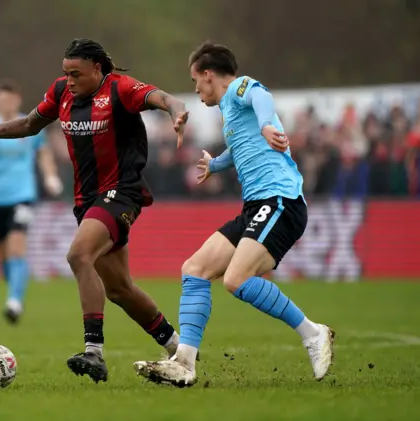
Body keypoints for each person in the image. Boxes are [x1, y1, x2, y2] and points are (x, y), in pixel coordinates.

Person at [0, 38, 190, 383]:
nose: (69, 80)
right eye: (66, 73)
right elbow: (29, 124)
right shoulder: (62, 92)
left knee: (78, 255)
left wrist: (176, 111)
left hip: (122, 193)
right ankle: (180, 351)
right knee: (119, 289)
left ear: (97, 69)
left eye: (76, 74)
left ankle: (94, 351)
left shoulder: (121, 89)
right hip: (87, 200)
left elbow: (162, 97)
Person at [134, 42, 335, 387]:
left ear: (209, 75)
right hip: (256, 206)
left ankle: (313, 332)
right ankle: (184, 363)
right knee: (194, 270)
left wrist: (267, 125)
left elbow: (262, 98)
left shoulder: (241, 87)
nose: (196, 90)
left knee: (235, 279)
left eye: (196, 81)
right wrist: (216, 164)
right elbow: (239, 147)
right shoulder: (229, 109)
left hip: (280, 200)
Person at [0, 80, 63, 324]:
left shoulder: (29, 124)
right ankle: (14, 289)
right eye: (0, 99)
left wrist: (50, 175)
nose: (5, 103)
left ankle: (14, 301)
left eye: (9, 99)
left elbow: (44, 152)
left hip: (22, 195)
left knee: (18, 246)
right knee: (3, 254)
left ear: (17, 100)